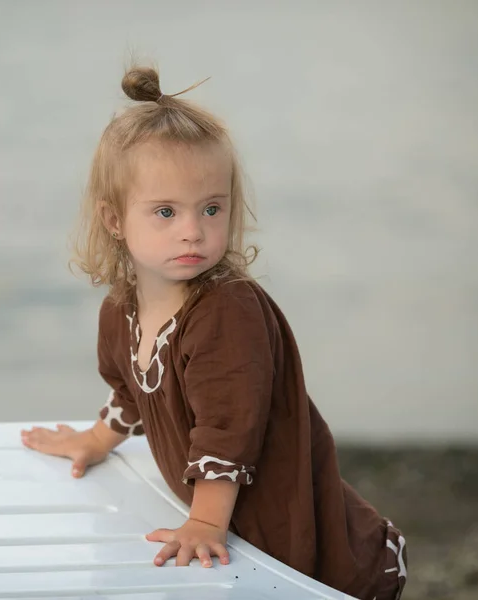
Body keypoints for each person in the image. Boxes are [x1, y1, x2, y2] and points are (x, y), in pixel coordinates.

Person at [20, 65, 407, 599]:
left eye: (211, 208)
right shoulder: (122, 309)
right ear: (114, 220)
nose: (193, 231)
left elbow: (228, 430)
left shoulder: (226, 311)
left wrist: (204, 523)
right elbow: (131, 392)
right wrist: (95, 440)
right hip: (218, 512)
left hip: (267, 521)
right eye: (164, 211)